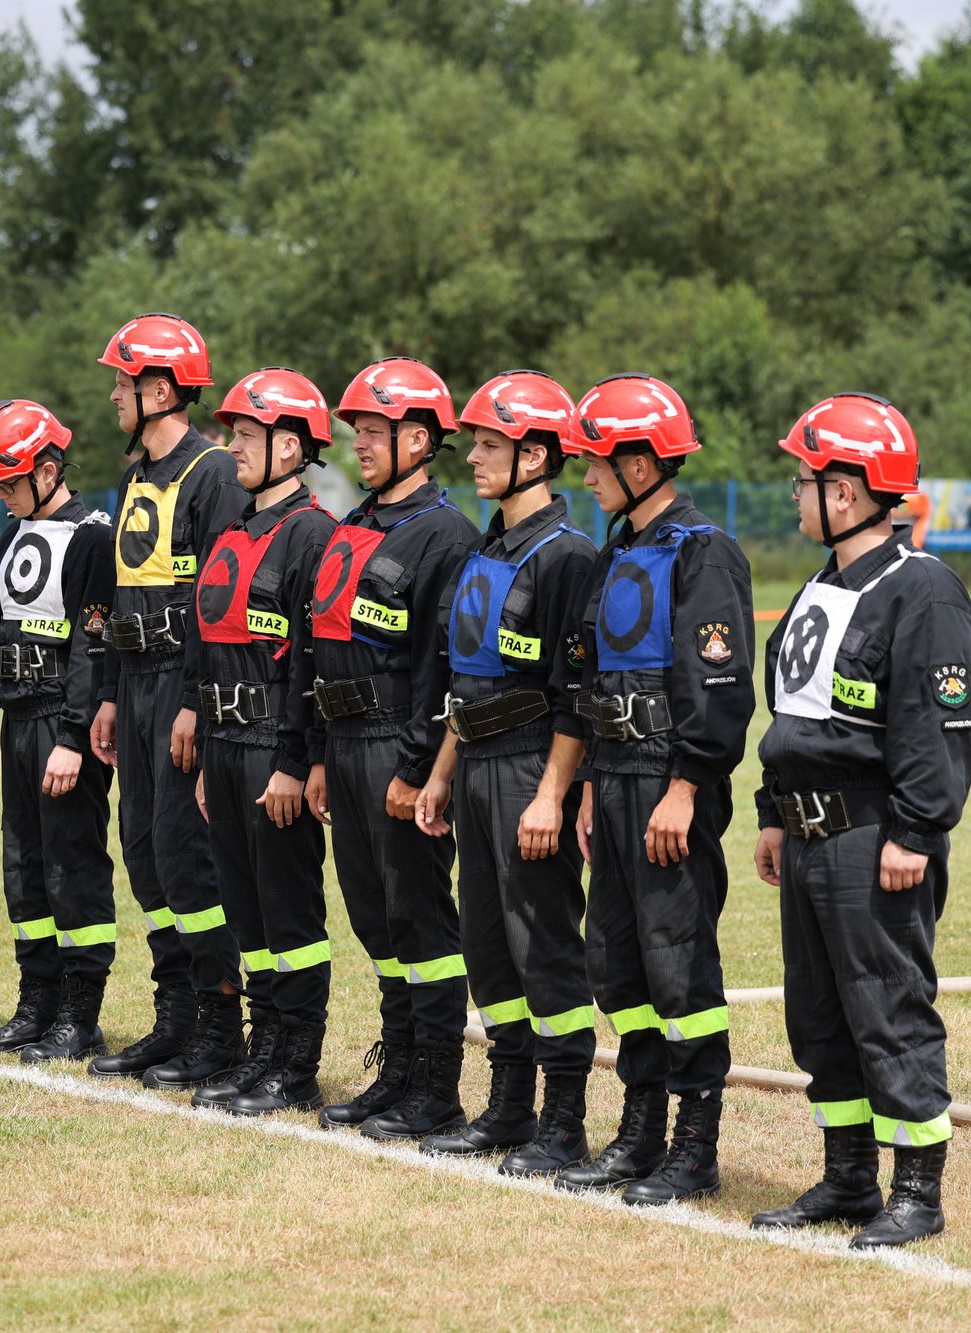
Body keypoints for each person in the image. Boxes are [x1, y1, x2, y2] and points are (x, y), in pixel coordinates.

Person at [748, 392, 971, 1249]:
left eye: (803, 479)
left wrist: (916, 833)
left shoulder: (922, 591)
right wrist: (774, 812)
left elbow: (939, 727)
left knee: (887, 1008)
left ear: (844, 492)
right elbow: (796, 709)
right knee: (818, 1014)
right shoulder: (823, 583)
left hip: (873, 836)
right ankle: (848, 1176)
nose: (795, 495)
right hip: (807, 836)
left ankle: (916, 1190)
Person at [551, 374, 754, 1206]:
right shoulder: (619, 548)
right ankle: (639, 1129)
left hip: (672, 781)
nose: (587, 475)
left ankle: (693, 1143)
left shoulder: (704, 551)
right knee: (616, 960)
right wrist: (595, 781)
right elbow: (597, 673)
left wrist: (687, 785)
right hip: (619, 777)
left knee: (679, 966)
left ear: (641, 462)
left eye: (598, 460)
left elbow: (721, 686)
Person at [412, 371, 600, 1177]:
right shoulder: (487, 548)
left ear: (535, 454)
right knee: (488, 949)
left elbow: (574, 696)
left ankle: (564, 1122)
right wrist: (441, 773)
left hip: (531, 767)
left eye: (489, 444)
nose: (476, 458)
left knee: (544, 944)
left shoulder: (569, 558)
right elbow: (467, 678)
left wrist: (552, 794)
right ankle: (509, 1107)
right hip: (477, 759)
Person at [303, 356, 478, 1142]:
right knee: (377, 921)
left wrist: (413, 770)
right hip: (341, 744)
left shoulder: (448, 536)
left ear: (419, 438)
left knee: (421, 923)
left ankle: (435, 1087)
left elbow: (440, 671)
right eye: (358, 433)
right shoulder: (357, 525)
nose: (360, 446)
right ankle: (397, 1073)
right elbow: (321, 648)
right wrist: (316, 756)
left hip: (394, 747)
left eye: (374, 432)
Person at [87, 313, 246, 1087]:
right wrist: (113, 697)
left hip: (184, 689)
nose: (114, 394)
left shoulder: (212, 473)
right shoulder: (134, 476)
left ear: (157, 389)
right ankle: (174, 1020)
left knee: (189, 862)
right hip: (136, 685)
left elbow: (216, 605)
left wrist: (193, 703)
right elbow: (125, 593)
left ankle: (221, 1025)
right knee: (145, 856)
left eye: (122, 380)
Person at [185, 368, 340, 1115]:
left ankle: (297, 1062)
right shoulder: (232, 530)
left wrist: (293, 760)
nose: (231, 447)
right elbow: (208, 641)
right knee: (246, 912)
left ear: (290, 446)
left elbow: (313, 659)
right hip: (225, 744)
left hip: (273, 748)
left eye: (245, 435)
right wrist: (210, 746)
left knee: (289, 912)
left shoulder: (314, 534)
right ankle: (263, 1050)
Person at [0, 399, 119, 1063]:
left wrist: (74, 738)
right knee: (23, 868)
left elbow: (92, 644)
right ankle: (37, 1005)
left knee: (72, 866)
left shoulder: (92, 537)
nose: (1, 497)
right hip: (18, 718)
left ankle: (81, 1017)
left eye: (9, 484)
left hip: (61, 720)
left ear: (48, 469)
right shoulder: (14, 533)